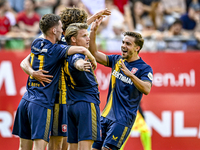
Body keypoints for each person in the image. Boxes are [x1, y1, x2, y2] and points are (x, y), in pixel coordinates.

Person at [19, 7, 111, 150]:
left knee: (62, 143)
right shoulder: (55, 44)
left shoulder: (60, 41)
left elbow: (78, 32)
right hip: (53, 96)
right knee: (53, 143)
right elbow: (24, 62)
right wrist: (32, 72)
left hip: (62, 97)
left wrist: (94, 18)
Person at [89, 18, 153, 150]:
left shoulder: (144, 68)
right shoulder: (117, 60)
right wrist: (93, 31)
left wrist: (130, 75)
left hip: (122, 119)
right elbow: (94, 53)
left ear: (137, 48)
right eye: (123, 42)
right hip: (106, 115)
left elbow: (146, 89)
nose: (123, 45)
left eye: (128, 44)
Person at [63, 22, 101, 150]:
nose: (88, 38)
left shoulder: (64, 52)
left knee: (72, 147)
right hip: (86, 104)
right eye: (84, 36)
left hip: (71, 105)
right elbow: (77, 61)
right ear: (73, 39)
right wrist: (81, 65)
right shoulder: (78, 56)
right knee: (86, 147)